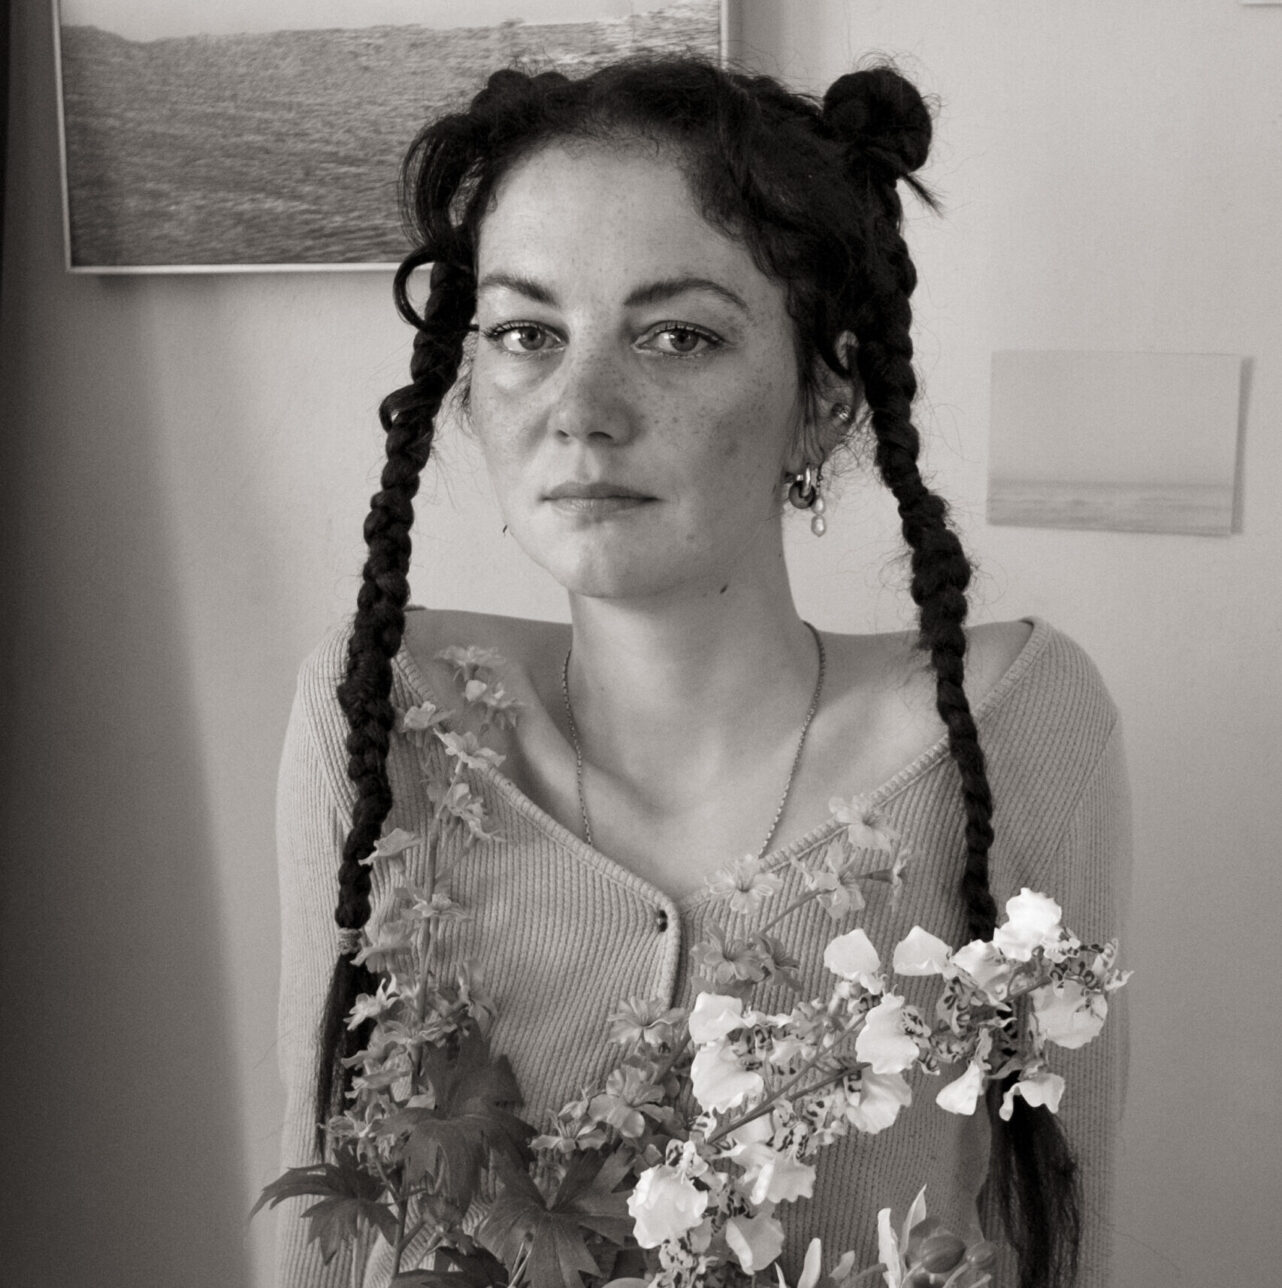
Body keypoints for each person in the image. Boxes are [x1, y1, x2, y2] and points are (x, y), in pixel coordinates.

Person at [275, 56, 1129, 1288]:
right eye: (526, 333)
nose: (581, 407)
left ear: (824, 394)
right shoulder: (384, 716)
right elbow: (313, 1234)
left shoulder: (1004, 724)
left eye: (677, 336)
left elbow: (1064, 1236)